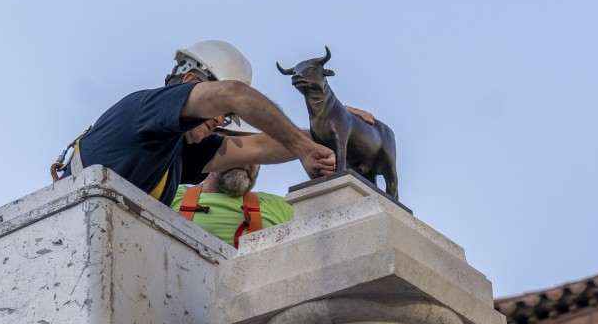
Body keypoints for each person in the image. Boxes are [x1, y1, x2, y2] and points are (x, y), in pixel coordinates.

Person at [55, 40, 369, 206]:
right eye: (219, 112)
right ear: (191, 81)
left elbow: (258, 146)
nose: (220, 121)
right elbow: (234, 94)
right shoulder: (145, 110)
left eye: (227, 119)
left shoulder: (175, 150)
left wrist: (327, 131)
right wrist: (303, 146)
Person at [171, 162, 291, 247]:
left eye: (254, 154)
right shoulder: (169, 197)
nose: (244, 160)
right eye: (236, 150)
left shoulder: (286, 206)